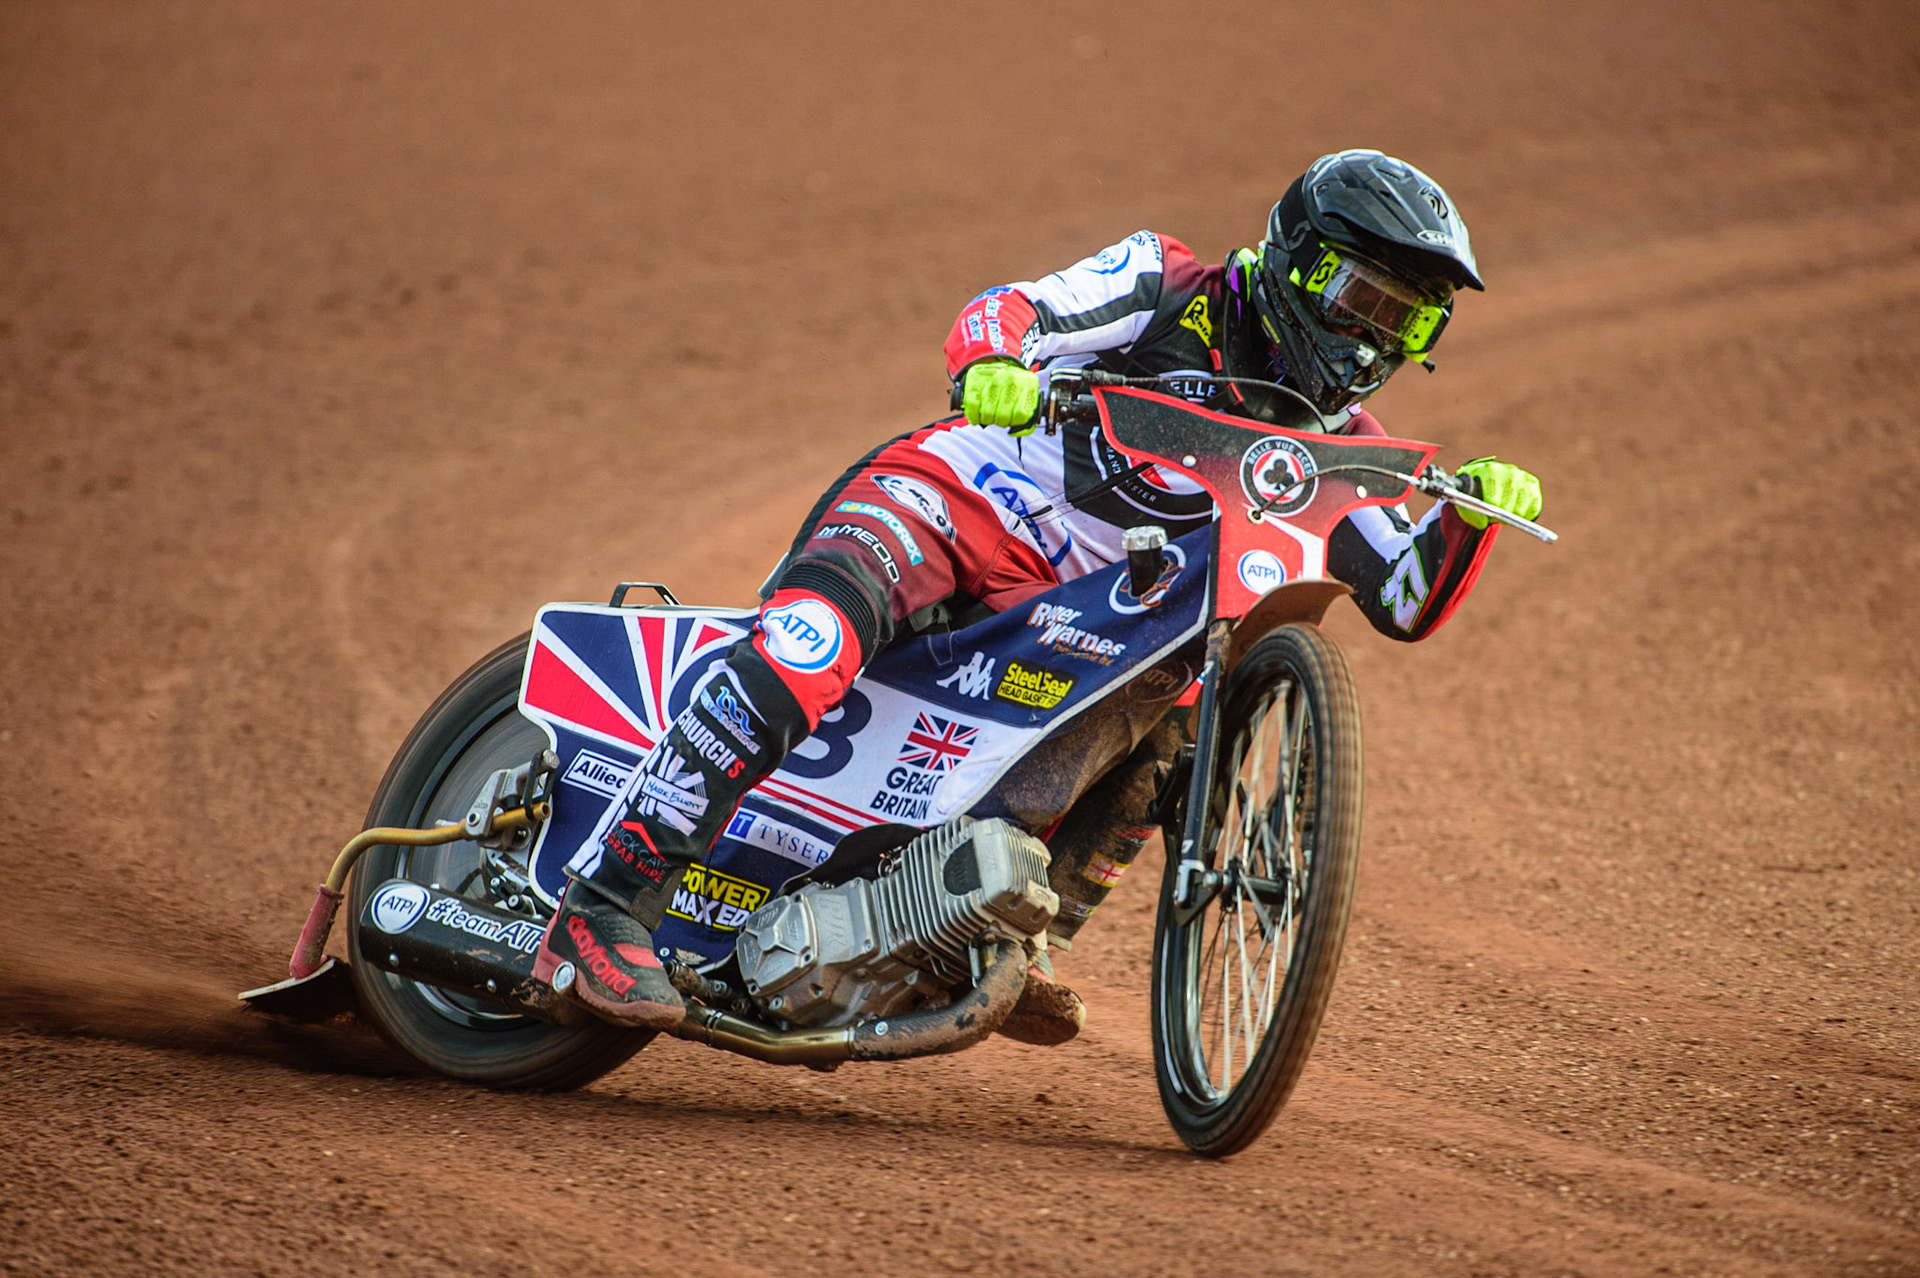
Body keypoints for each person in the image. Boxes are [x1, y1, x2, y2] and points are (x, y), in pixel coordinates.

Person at [533, 148, 1544, 1028]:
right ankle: (600, 907)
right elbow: (1009, 311)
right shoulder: (1167, 280)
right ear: (1298, 261)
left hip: (1073, 620)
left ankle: (1005, 937)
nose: (1374, 342)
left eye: (1409, 326)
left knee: (1184, 713)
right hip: (961, 502)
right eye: (1366, 300)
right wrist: (997, 364)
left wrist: (1466, 517)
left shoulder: (1340, 454)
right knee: (809, 647)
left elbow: (1403, 600)